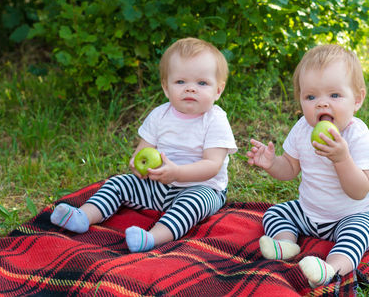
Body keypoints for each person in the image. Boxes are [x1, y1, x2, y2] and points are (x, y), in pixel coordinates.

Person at [51, 37, 237, 253]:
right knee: (118, 183)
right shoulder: (159, 115)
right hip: (158, 185)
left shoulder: (215, 120)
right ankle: (83, 216)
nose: (190, 89)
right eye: (180, 82)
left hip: (202, 187)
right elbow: (143, 149)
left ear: (218, 91)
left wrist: (177, 173)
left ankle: (152, 237)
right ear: (166, 88)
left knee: (192, 205)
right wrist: (137, 165)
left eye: (202, 83)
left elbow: (212, 165)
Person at [246, 44, 369, 288]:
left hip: (355, 214)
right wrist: (271, 164)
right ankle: (286, 243)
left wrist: (342, 159)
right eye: (311, 97)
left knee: (357, 235)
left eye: (334, 95)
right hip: (311, 213)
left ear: (357, 99)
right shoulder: (302, 129)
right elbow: (289, 168)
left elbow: (359, 191)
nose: (322, 104)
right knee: (276, 212)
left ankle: (330, 268)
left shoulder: (357, 137)